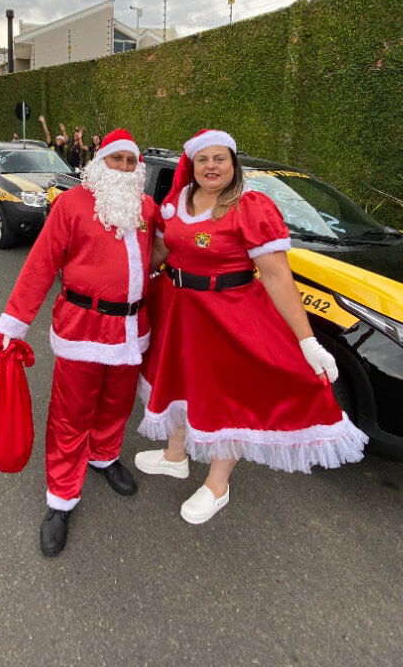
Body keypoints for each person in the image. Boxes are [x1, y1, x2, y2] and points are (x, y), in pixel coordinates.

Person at [135, 128, 368, 526]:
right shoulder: (175, 201)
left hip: (228, 317)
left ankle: (217, 486)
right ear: (192, 164)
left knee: (228, 397)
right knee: (176, 380)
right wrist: (125, 281)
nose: (211, 166)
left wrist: (307, 341)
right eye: (203, 159)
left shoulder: (250, 207)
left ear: (233, 163)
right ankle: (175, 456)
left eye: (220, 158)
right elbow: (159, 250)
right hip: (176, 309)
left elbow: (277, 276)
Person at [0, 129, 160, 556]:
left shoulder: (146, 207)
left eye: (130, 161)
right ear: (100, 162)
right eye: (116, 159)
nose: (124, 167)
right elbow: (40, 265)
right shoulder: (71, 205)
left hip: (131, 331)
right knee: (71, 416)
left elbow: (167, 252)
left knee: (117, 405)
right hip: (82, 329)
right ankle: (61, 497)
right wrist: (12, 326)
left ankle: (104, 456)